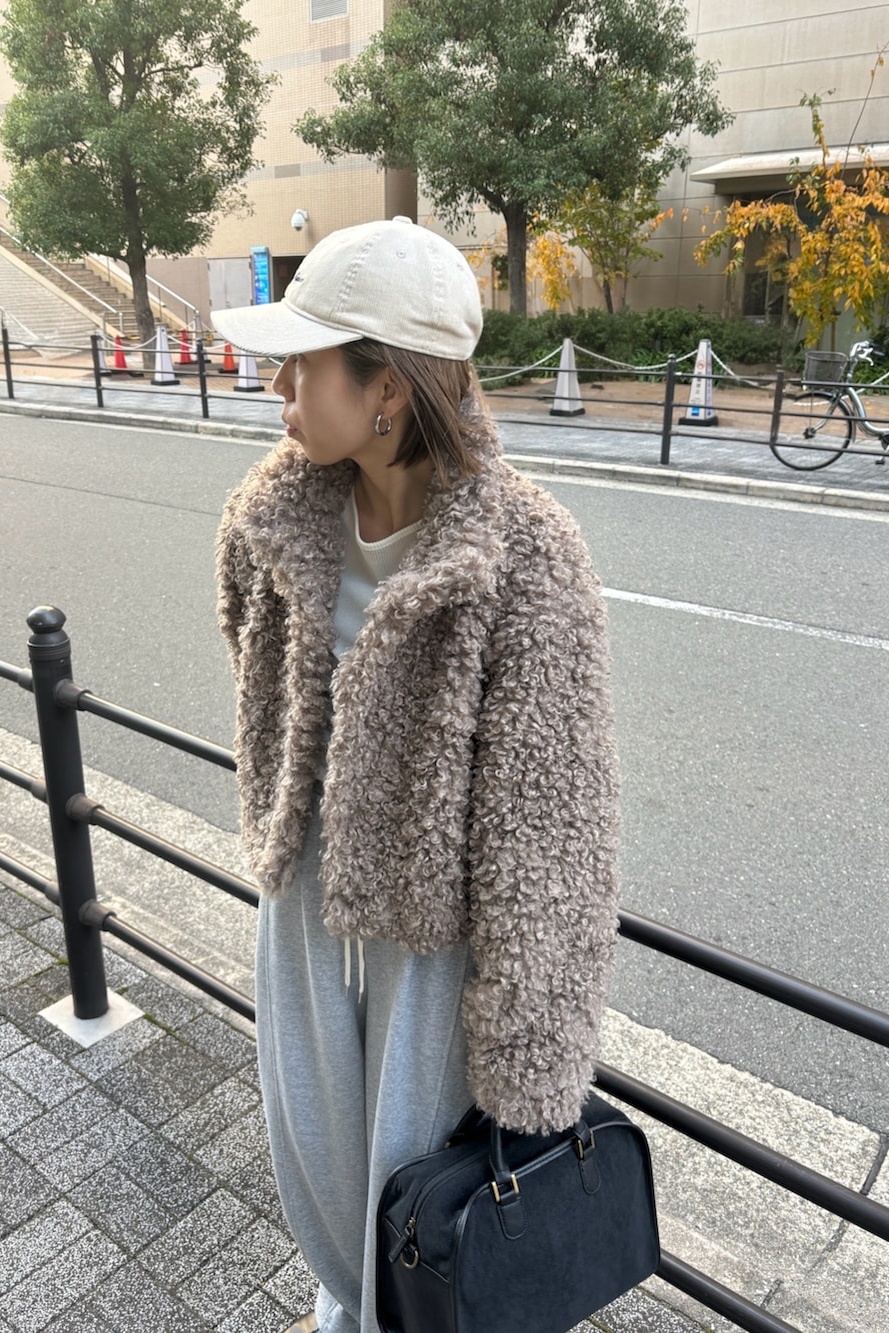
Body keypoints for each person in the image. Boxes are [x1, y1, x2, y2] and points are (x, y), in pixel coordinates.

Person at [213, 216, 620, 1333]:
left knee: (409, 1178)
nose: (278, 388)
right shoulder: (274, 515)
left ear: (386, 387)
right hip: (302, 884)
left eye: (302, 364)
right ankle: (346, 1307)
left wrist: (529, 1050)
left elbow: (555, 825)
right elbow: (254, 666)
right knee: (312, 1156)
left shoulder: (525, 554)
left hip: (432, 926)